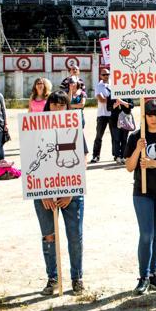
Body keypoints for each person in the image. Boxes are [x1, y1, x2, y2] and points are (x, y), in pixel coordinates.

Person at [35, 90, 86, 296]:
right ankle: (53, 278)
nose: (57, 108)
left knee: (74, 237)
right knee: (48, 236)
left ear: (67, 107)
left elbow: (81, 163)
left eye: (61, 104)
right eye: (54, 104)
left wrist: (71, 192)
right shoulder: (36, 129)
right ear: (48, 106)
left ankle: (77, 278)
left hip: (71, 192)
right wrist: (43, 193)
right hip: (43, 193)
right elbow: (34, 162)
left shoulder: (75, 127)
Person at [124, 99, 156, 295]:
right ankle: (143, 276)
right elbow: (129, 167)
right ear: (144, 116)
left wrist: (153, 164)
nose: (154, 119)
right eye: (150, 114)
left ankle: (153, 274)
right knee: (146, 235)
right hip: (142, 192)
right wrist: (138, 148)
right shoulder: (136, 137)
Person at [91, 69, 116, 163]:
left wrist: (107, 98)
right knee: (98, 136)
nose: (106, 76)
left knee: (115, 136)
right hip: (102, 114)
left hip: (113, 113)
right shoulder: (98, 86)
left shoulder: (113, 85)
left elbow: (108, 98)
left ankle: (116, 155)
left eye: (108, 74)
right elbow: (101, 100)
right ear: (100, 76)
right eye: (104, 74)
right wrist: (112, 99)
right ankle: (96, 156)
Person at [67, 77, 89, 156]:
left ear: (77, 83)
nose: (72, 84)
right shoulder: (68, 93)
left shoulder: (82, 93)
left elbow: (82, 105)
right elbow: (67, 103)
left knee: (79, 135)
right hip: (70, 118)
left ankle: (83, 152)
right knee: (70, 135)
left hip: (79, 117)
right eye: (70, 83)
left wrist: (71, 106)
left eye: (73, 82)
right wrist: (70, 91)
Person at [111, 97, 134, 165]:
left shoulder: (127, 94)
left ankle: (124, 157)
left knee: (124, 140)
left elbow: (131, 105)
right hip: (115, 121)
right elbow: (109, 108)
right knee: (116, 140)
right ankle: (117, 157)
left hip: (126, 121)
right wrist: (115, 105)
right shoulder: (112, 95)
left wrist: (122, 102)